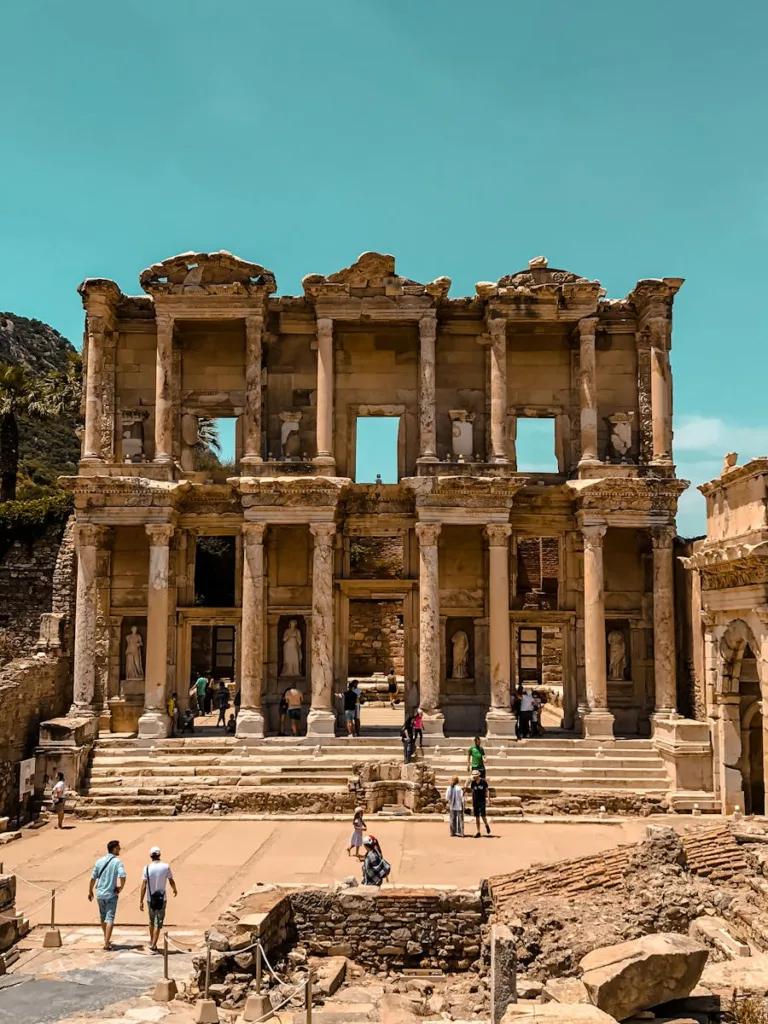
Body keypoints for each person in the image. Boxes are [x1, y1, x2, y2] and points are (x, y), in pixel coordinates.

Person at [88, 839, 127, 951]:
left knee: (102, 917)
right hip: (111, 894)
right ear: (114, 849)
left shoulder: (99, 861)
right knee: (109, 918)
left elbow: (93, 878)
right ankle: (106, 943)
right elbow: (123, 876)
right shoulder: (117, 862)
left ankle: (106, 938)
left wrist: (90, 891)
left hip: (100, 893)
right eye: (118, 848)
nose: (119, 849)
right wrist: (121, 887)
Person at [139, 845, 178, 952]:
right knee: (159, 922)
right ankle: (154, 944)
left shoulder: (146, 868)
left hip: (150, 898)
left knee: (151, 921)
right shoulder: (165, 867)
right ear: (159, 855)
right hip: (162, 898)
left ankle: (152, 941)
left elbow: (144, 885)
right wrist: (174, 889)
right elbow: (171, 880)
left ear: (150, 856)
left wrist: (141, 900)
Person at [470, 769, 491, 837]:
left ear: (478, 776)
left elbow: (487, 790)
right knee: (477, 817)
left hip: (482, 800)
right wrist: (472, 801)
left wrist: (488, 799)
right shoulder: (473, 783)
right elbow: (472, 792)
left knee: (483, 815)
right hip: (476, 801)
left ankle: (486, 824)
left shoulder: (483, 781)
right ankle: (478, 831)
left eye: (475, 776)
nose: (474, 777)